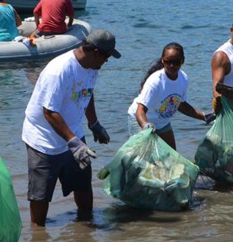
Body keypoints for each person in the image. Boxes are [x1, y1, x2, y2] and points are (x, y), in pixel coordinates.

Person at [21, 29, 120, 227]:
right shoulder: (60, 70)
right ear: (95, 52)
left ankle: (86, 227)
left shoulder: (92, 67)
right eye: (107, 57)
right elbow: (49, 112)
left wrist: (94, 124)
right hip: (44, 139)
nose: (107, 61)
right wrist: (73, 142)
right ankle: (39, 237)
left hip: (72, 133)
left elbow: (87, 93)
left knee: (83, 183)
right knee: (41, 195)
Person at [128, 43, 214, 150]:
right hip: (141, 120)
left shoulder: (183, 78)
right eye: (168, 62)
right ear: (163, 60)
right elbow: (140, 110)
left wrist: (204, 116)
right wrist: (145, 126)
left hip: (162, 122)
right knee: (144, 158)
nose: (172, 66)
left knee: (171, 155)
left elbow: (181, 105)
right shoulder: (155, 81)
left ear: (182, 61)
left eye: (176, 62)